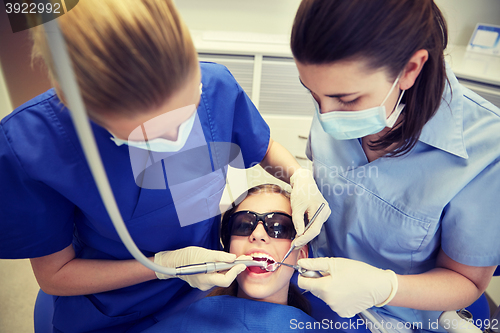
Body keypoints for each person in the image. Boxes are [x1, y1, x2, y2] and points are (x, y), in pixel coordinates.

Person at [0, 1, 330, 332]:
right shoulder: (35, 146)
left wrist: (298, 176)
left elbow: (264, 147)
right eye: (152, 133)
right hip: (111, 309)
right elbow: (55, 275)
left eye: (190, 107)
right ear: (84, 110)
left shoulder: (215, 86)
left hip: (203, 292)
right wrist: (161, 267)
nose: (177, 137)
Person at [289, 0, 500, 331]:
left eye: (346, 100)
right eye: (314, 95)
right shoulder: (335, 92)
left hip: (402, 317)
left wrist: (384, 287)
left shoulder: (487, 150)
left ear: (410, 69)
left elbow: (468, 282)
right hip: (314, 290)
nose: (326, 115)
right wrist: (303, 181)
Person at [141, 184, 322, 333]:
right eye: (243, 225)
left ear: (302, 255)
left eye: (278, 227)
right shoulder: (184, 324)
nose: (258, 234)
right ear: (228, 249)